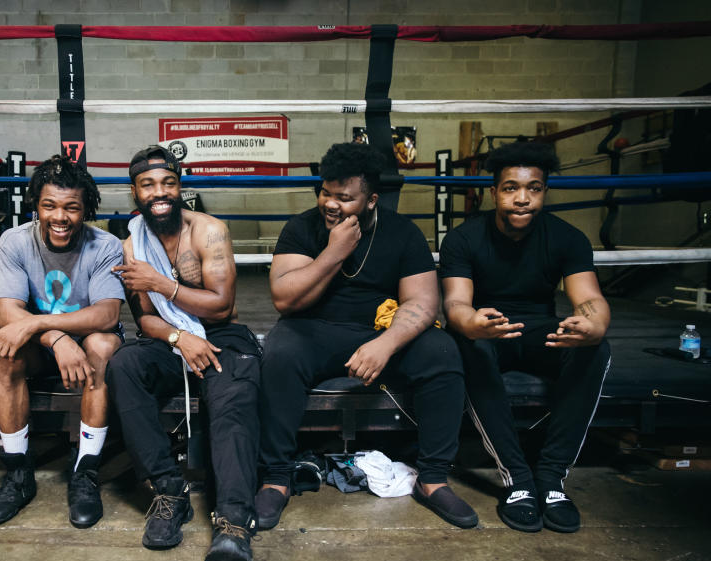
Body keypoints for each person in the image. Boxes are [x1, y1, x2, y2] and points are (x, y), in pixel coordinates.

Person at [256, 142, 478, 530]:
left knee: (442, 352)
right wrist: (334, 252)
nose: (330, 204)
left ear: (372, 200)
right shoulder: (302, 228)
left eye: (344, 197)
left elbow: (424, 304)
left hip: (381, 330)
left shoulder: (403, 233)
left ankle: (432, 479)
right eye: (325, 192)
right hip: (313, 328)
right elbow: (284, 299)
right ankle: (276, 478)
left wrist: (385, 344)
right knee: (279, 353)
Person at [107, 146, 262, 561]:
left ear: (180, 187)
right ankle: (168, 492)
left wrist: (161, 282)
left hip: (220, 334)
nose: (160, 193)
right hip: (170, 338)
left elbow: (221, 305)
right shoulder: (131, 243)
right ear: (134, 192)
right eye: (148, 185)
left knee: (232, 396)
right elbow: (144, 319)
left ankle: (233, 524)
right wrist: (179, 337)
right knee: (124, 366)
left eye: (168, 183)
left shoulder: (209, 231)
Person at [439, 141, 611, 534]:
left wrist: (591, 325)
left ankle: (550, 480)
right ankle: (518, 479)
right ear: (493, 192)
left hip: (539, 329)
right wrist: (473, 322)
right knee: (467, 345)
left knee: (594, 347)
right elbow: (456, 305)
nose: (522, 199)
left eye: (533, 188)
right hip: (487, 327)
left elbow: (590, 300)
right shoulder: (463, 240)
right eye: (511, 188)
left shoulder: (567, 238)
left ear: (544, 192)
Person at [0, 156, 125, 528]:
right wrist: (57, 338)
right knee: (4, 352)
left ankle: (85, 470)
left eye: (71, 208)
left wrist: (48, 326)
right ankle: (17, 472)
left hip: (88, 342)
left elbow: (107, 315)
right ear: (36, 206)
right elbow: (7, 312)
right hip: (44, 346)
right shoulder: (14, 242)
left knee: (101, 346)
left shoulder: (105, 245)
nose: (59, 217)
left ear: (86, 210)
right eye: (49, 206)